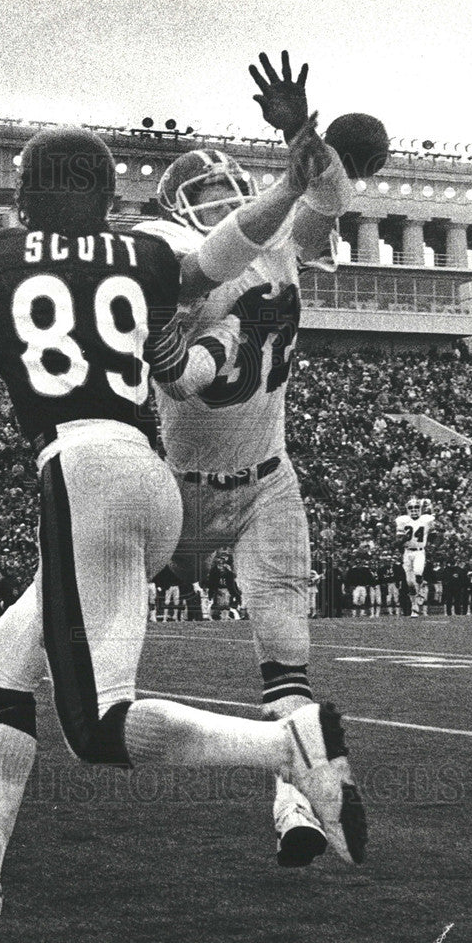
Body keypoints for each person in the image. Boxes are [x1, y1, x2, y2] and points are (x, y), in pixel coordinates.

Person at [0, 123, 365, 939]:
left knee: (100, 727)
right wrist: (286, 185)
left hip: (84, 469)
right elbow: (222, 258)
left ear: (28, 193)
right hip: (146, 470)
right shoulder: (144, 261)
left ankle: (288, 747)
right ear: (109, 200)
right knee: (3, 662)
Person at [132, 50, 367, 865]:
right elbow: (193, 381)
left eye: (226, 188)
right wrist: (182, 360)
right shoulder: (168, 253)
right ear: (174, 208)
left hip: (269, 477)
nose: (218, 202)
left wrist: (305, 137)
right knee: (93, 650)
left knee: (285, 655)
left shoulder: (277, 246)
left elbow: (334, 197)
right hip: (178, 489)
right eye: (202, 195)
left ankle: (295, 808)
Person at [395, 497, 436, 617]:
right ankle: (414, 607)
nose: (414, 510)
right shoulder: (403, 521)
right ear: (407, 509)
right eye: (411, 508)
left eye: (416, 507)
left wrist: (433, 545)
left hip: (419, 551)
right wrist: (404, 538)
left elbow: (435, 535)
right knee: (410, 584)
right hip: (407, 553)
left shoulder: (426, 520)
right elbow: (396, 543)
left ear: (421, 509)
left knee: (418, 573)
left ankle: (422, 587)